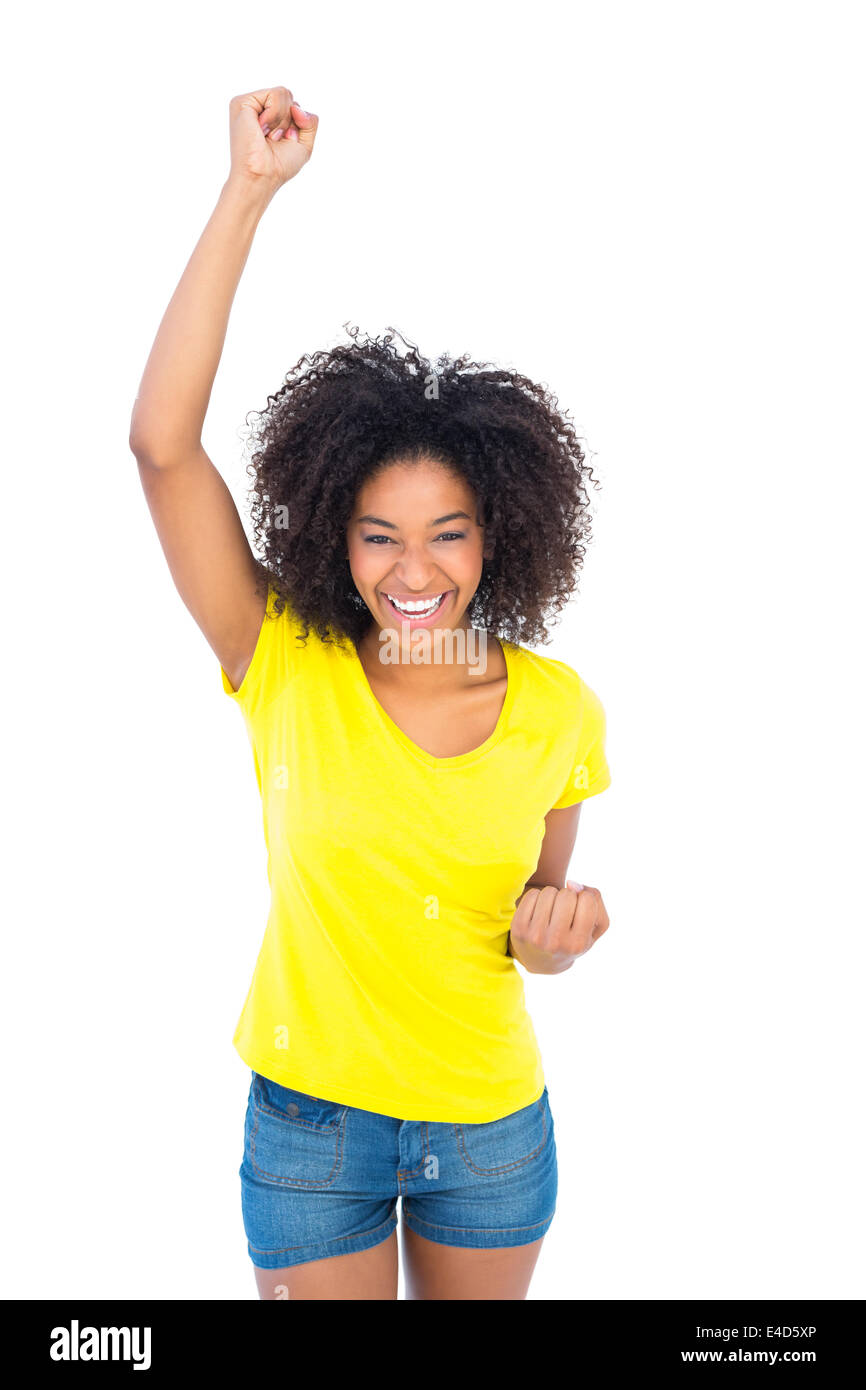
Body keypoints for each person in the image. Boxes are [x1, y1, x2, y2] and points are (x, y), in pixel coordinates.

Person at [129, 84, 612, 1301]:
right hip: (311, 1134)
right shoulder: (279, 655)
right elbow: (162, 447)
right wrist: (248, 190)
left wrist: (557, 937)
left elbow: (529, 922)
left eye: (447, 535)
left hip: (489, 1128)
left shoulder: (557, 707)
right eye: (376, 535)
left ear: (499, 534)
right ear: (330, 537)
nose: (412, 572)